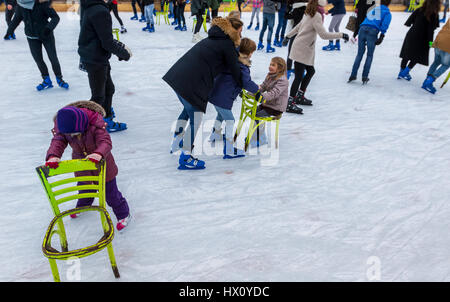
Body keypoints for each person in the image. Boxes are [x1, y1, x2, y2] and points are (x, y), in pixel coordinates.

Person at [163, 16, 243, 169]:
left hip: (177, 76)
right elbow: (235, 70)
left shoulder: (212, 39)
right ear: (232, 31)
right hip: (192, 83)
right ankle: (186, 156)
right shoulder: (226, 44)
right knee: (196, 118)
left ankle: (177, 141)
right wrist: (242, 85)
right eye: (239, 31)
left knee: (187, 111)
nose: (240, 35)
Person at [45, 101, 131, 231]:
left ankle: (123, 214)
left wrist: (98, 153)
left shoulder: (95, 122)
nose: (74, 137)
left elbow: (105, 142)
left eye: (77, 133)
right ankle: (84, 205)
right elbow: (58, 141)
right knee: (85, 188)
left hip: (103, 162)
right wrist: (53, 156)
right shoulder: (63, 123)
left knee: (110, 193)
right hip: (81, 162)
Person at [283, 0, 348, 113]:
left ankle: (299, 95)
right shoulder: (316, 15)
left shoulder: (308, 13)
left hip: (303, 48)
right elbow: (324, 35)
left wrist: (288, 36)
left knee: (310, 71)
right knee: (299, 76)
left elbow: (298, 26)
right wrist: (341, 35)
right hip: (301, 49)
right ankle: (290, 102)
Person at [78, 0, 132, 133]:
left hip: (93, 55)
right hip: (96, 58)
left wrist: (118, 48)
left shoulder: (89, 6)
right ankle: (83, 123)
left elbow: (99, 36)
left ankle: (106, 118)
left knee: (109, 89)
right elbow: (106, 42)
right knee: (98, 96)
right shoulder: (100, 11)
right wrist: (124, 54)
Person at [208, 37, 259, 159]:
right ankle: (229, 149)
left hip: (215, 93)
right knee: (230, 120)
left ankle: (215, 134)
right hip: (223, 96)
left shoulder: (232, 58)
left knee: (220, 115)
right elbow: (246, 82)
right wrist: (258, 90)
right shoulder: (242, 66)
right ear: (250, 53)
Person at [4, 0, 69, 91]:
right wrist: (9, 31)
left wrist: (48, 28)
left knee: (53, 58)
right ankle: (46, 80)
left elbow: (55, 17)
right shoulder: (21, 6)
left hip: (46, 35)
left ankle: (59, 79)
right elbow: (16, 20)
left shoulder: (42, 3)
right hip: (31, 37)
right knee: (38, 60)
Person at [348, 0, 392, 84]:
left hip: (362, 28)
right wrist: (381, 36)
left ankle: (353, 75)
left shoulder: (374, 9)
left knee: (359, 54)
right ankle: (365, 77)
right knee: (369, 55)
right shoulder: (387, 13)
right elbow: (385, 25)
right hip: (373, 31)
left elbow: (367, 17)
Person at [249, 57, 289, 147]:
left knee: (258, 115)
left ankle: (260, 138)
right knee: (253, 111)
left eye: (273, 65)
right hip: (268, 104)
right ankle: (258, 136)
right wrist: (250, 93)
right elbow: (262, 87)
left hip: (276, 107)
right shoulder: (270, 76)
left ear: (280, 68)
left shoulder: (283, 81)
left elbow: (274, 93)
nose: (270, 66)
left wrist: (261, 97)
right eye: (270, 64)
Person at [398, 0, 440, 81]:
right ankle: (405, 72)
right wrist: (430, 42)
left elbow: (408, 23)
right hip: (423, 38)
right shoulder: (434, 15)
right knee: (418, 56)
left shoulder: (419, 9)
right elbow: (431, 30)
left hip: (412, 35)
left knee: (407, 53)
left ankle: (401, 71)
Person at [422, 19, 450, 93]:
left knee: (436, 62)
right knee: (446, 65)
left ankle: (426, 80)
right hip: (448, 46)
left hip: (439, 40)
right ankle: (429, 81)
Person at [285, 0, 308, 78]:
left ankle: (288, 70)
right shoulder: (307, 10)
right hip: (304, 34)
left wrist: (287, 9)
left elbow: (287, 16)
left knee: (291, 52)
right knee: (302, 53)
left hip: (294, 33)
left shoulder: (296, 9)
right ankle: (301, 70)